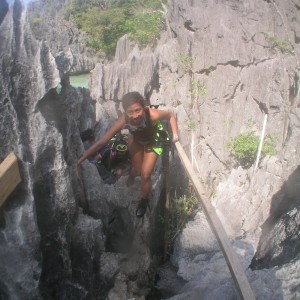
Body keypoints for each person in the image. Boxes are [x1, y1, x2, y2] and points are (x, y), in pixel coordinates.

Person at [78, 92, 179, 218]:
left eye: (138, 110)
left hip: (153, 140)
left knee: (145, 174)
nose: (135, 115)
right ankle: (132, 174)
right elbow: (102, 142)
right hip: (136, 139)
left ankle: (144, 200)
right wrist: (82, 157)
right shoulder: (123, 121)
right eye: (130, 112)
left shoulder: (152, 114)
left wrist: (175, 134)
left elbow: (170, 115)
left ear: (144, 107)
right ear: (125, 111)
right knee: (137, 170)